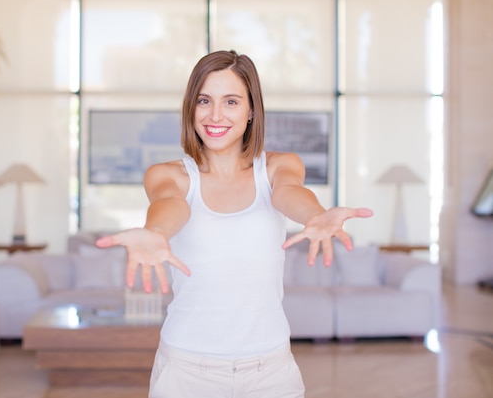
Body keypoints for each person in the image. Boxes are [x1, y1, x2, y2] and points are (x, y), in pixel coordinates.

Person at [96, 50, 373, 398]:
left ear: (250, 110)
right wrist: (156, 233)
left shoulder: (277, 167)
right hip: (186, 371)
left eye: (230, 101)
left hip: (270, 372)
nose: (215, 115)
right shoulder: (169, 175)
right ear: (190, 108)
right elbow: (171, 204)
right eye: (204, 101)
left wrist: (315, 216)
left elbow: (288, 192)